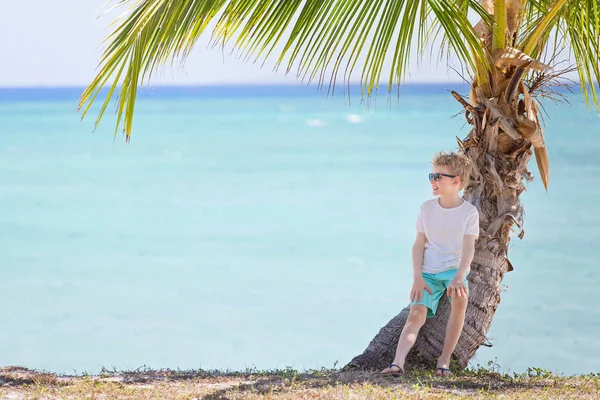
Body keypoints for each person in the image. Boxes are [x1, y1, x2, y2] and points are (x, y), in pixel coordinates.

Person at [381, 151, 479, 377]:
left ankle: (443, 362)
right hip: (429, 273)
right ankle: (397, 363)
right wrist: (417, 277)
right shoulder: (427, 208)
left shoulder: (469, 212)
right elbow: (418, 245)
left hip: (455, 271)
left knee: (459, 302)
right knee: (416, 313)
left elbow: (469, 249)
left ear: (456, 181)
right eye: (431, 176)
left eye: (438, 177)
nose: (433, 181)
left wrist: (458, 277)